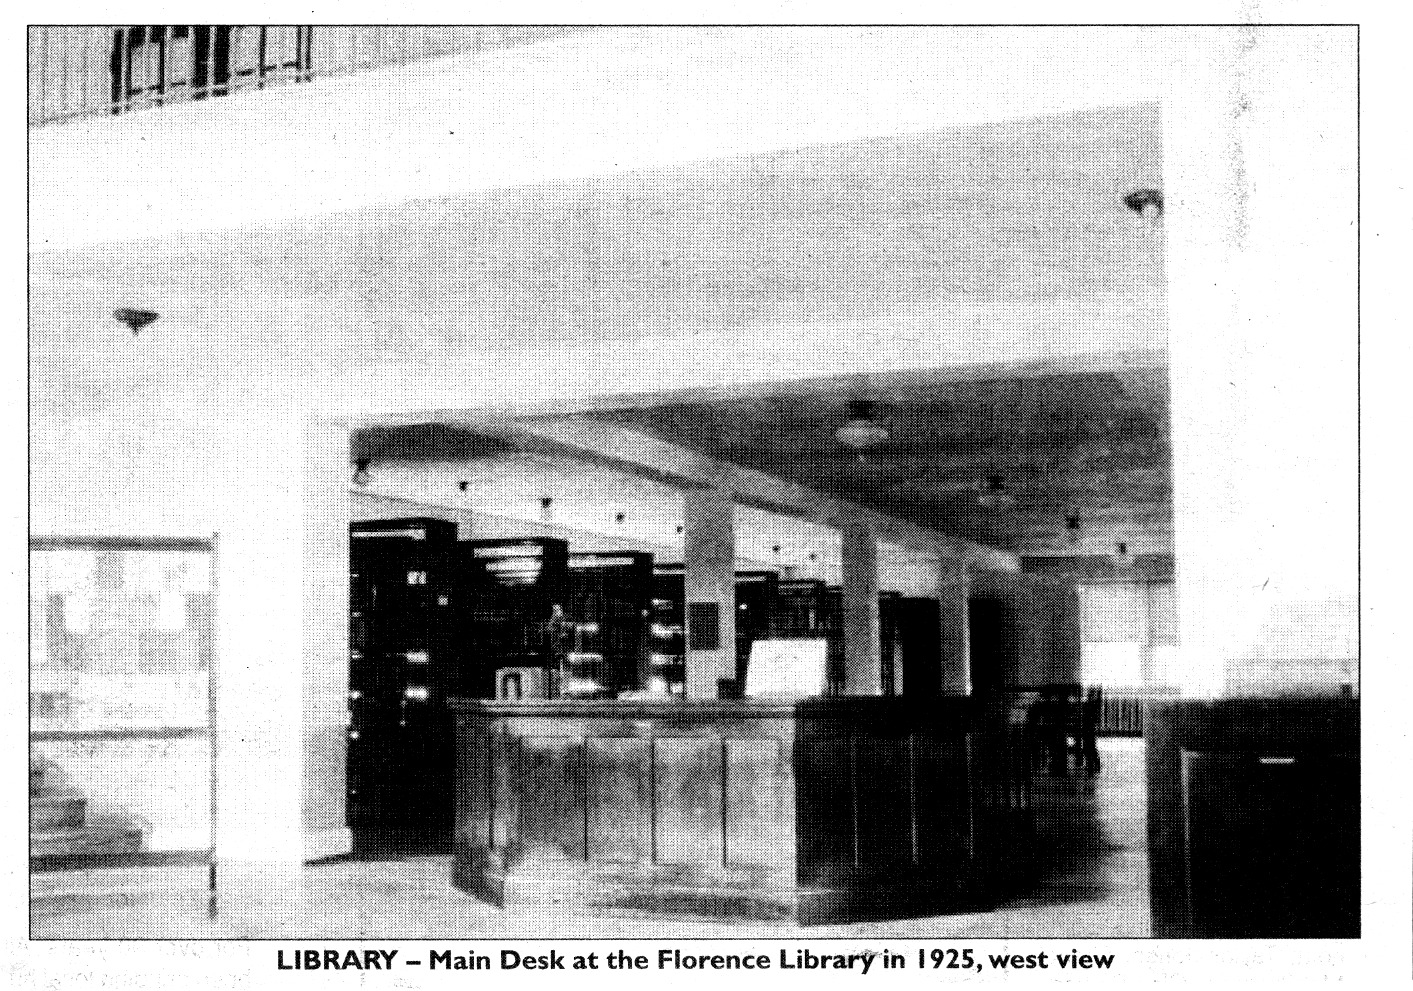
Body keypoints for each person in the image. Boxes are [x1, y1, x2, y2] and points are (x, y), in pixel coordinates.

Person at [1081, 685, 1103, 777]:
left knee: (1088, 747)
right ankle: (1095, 765)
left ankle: (1091, 766)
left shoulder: (1087, 705)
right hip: (1090, 728)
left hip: (1087, 728)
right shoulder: (1093, 705)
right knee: (1091, 747)